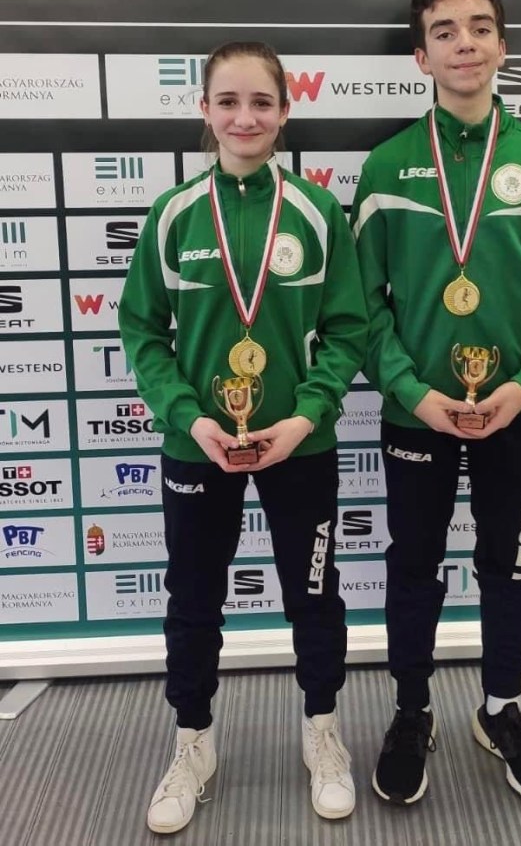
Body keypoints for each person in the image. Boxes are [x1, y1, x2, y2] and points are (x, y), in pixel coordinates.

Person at [351, 0, 521, 806]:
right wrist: (410, 389)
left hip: (516, 411)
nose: (465, 42)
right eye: (445, 31)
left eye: (480, 27)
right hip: (415, 413)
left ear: (502, 45)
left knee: (509, 561)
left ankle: (500, 708)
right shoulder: (388, 167)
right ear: (421, 57)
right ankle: (412, 710)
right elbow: (360, 305)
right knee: (413, 565)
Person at [119, 41, 368, 834]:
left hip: (300, 443)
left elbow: (349, 329)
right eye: (227, 101)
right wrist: (189, 416)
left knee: (314, 595)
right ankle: (192, 742)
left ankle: (322, 731)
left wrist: (306, 415)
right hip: (198, 444)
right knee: (193, 599)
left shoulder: (319, 213)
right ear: (204, 109)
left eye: (261, 101)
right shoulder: (174, 214)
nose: (245, 117)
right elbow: (141, 331)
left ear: (285, 111)